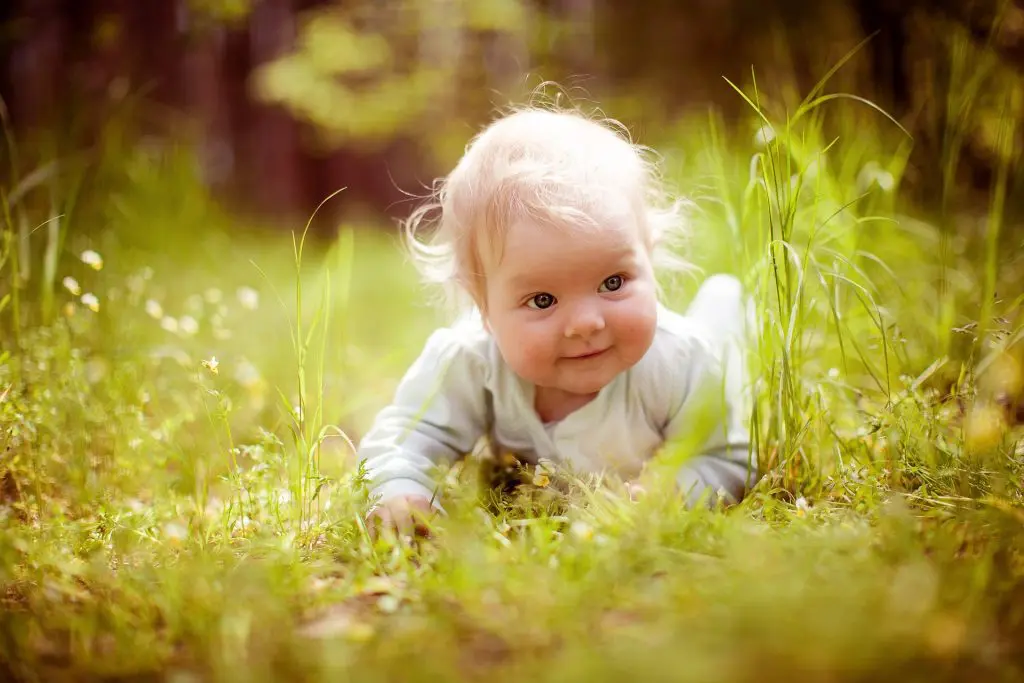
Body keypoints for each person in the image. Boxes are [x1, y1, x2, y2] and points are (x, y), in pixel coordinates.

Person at [356, 104, 757, 535]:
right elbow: (406, 436)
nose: (585, 323)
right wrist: (400, 489)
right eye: (543, 299)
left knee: (724, 349)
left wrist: (674, 491)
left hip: (707, 356)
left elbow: (724, 455)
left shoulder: (682, 361)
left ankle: (725, 305)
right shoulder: (471, 361)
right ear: (483, 307)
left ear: (649, 256)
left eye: (613, 282)